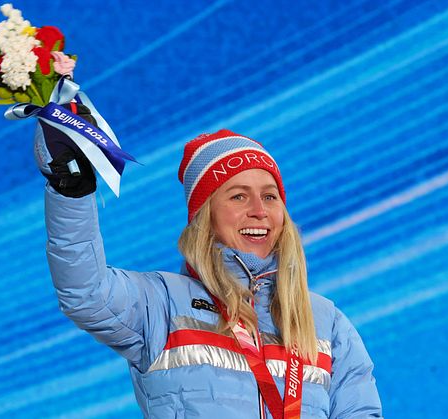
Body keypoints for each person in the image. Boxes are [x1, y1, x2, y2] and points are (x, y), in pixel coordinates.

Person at [35, 123, 382, 418]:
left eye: (270, 196)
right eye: (238, 197)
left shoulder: (326, 321)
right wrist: (72, 192)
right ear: (205, 216)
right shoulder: (161, 303)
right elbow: (86, 293)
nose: (259, 211)